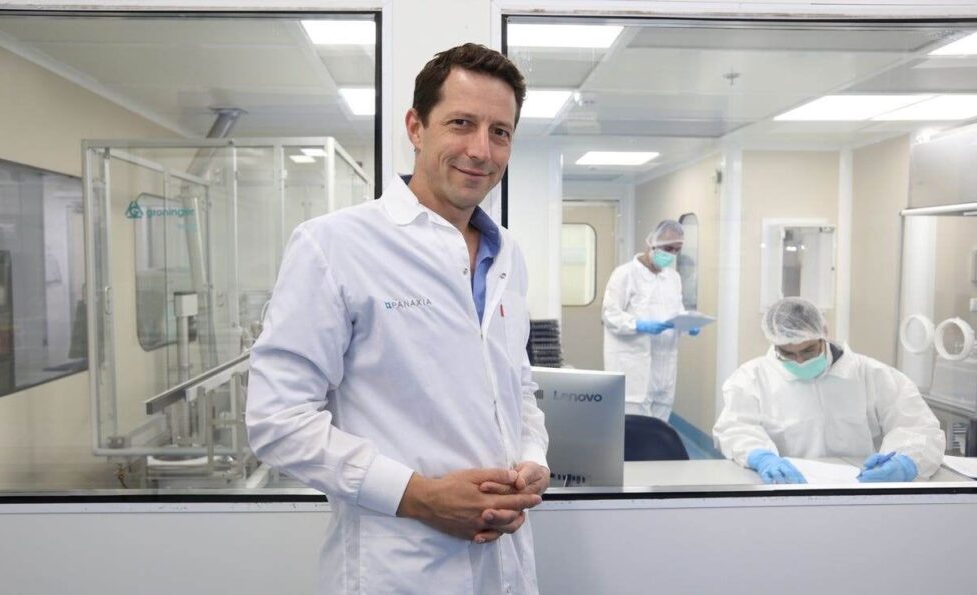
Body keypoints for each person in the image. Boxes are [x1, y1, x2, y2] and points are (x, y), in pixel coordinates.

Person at [245, 43, 549, 594]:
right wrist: (420, 496)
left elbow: (517, 387)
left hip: (505, 564)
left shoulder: (508, 254)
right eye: (461, 123)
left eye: (500, 132)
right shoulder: (334, 245)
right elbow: (278, 421)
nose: (481, 150)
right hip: (397, 569)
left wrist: (533, 458)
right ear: (416, 127)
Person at [713, 297, 945, 484]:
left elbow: (917, 426)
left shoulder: (871, 374)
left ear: (824, 334)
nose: (800, 361)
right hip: (786, 490)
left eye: (809, 351)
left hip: (861, 488)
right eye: (788, 354)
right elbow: (736, 428)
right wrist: (762, 457)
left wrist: (905, 461)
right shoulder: (752, 378)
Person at [602, 220, 699, 429]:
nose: (672, 255)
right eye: (668, 248)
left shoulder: (673, 278)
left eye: (677, 250)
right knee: (633, 428)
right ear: (652, 243)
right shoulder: (625, 274)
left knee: (659, 427)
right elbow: (610, 314)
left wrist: (687, 322)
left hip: (664, 366)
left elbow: (677, 311)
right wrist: (638, 325)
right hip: (634, 365)